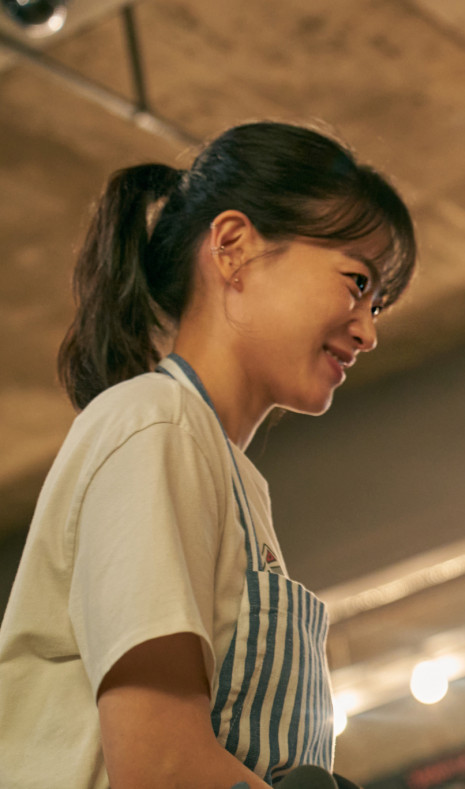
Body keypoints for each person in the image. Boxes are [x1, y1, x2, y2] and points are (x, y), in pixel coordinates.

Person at [0, 122, 417, 789]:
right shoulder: (154, 423)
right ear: (233, 247)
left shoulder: (221, 468)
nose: (368, 330)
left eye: (378, 304)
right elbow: (160, 767)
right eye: (357, 281)